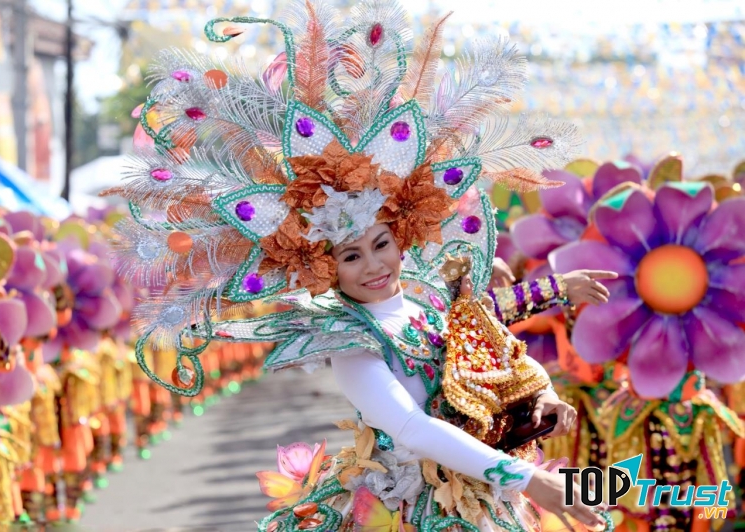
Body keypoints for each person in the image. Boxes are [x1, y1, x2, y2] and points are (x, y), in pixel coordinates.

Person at [109, 1, 617, 529]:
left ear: (402, 237)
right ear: (323, 266)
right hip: (409, 511)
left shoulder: (424, 302)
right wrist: (528, 479)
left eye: (381, 244)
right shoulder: (347, 338)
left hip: (484, 496)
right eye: (350, 255)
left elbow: (482, 324)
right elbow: (411, 428)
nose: (374, 265)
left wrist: (550, 341)